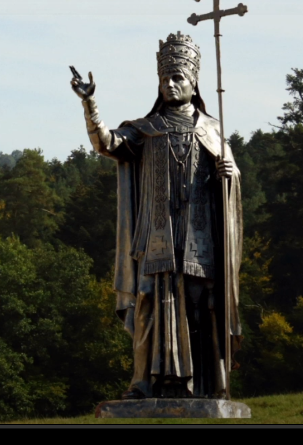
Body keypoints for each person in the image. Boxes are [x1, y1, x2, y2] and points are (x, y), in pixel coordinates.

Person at [70, 32, 242, 399]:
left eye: (177, 76)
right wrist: (90, 105)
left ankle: (211, 386)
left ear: (194, 81)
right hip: (157, 237)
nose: (170, 83)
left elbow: (229, 185)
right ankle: (143, 384)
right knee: (149, 304)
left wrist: (230, 173)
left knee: (204, 309)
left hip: (199, 239)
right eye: (165, 78)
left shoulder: (213, 130)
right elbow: (106, 143)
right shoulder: (146, 130)